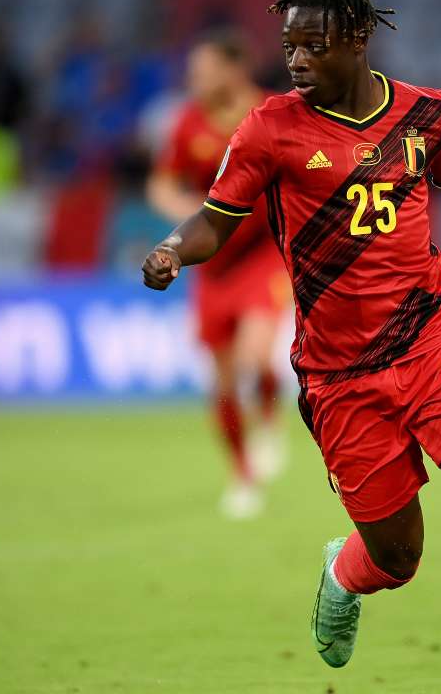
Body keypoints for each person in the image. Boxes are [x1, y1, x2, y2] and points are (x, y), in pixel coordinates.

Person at [142, 0, 441, 688]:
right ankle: (344, 573)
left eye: (314, 45)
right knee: (398, 556)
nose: (297, 60)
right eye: (290, 46)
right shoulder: (271, 128)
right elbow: (216, 219)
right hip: (339, 377)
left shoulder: (430, 115)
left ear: (358, 41)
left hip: (430, 340)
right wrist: (175, 249)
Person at [146, 33, 289, 520]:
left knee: (256, 355)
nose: (195, 82)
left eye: (204, 72)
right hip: (212, 263)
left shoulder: (272, 113)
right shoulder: (189, 123)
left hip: (263, 254)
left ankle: (270, 417)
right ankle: (242, 474)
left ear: (235, 69)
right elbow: (162, 183)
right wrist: (189, 213)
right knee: (223, 382)